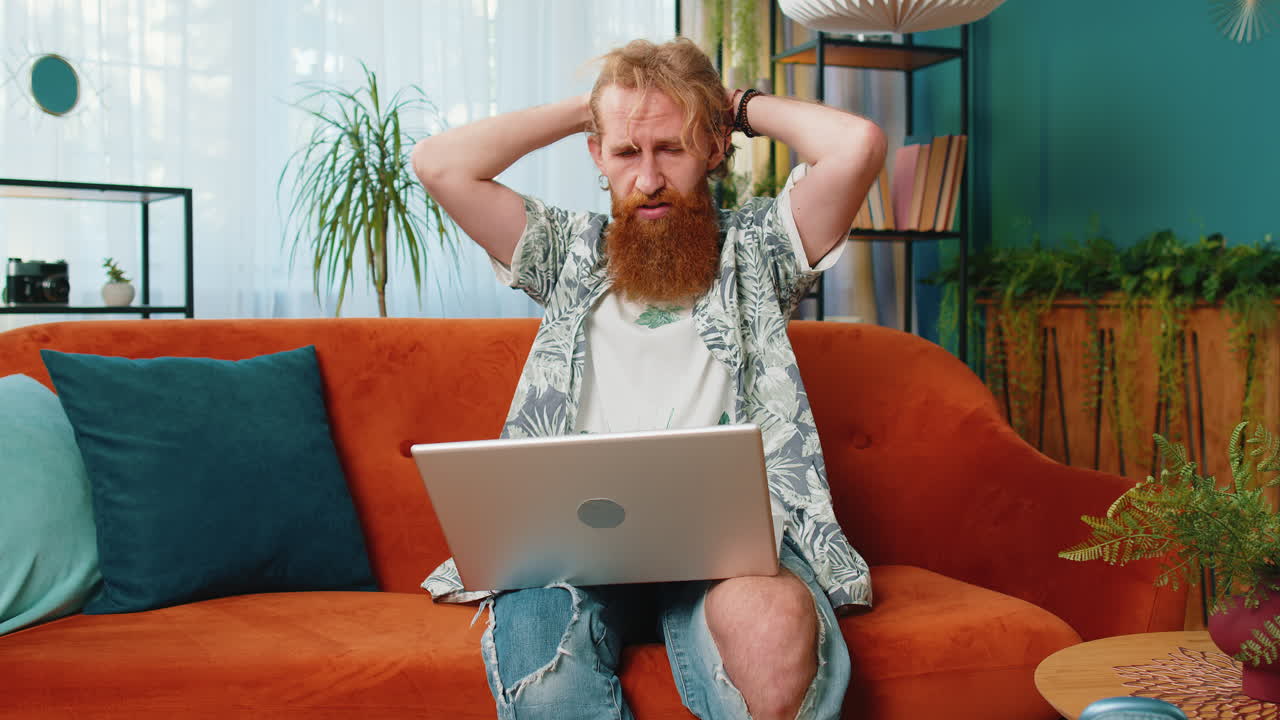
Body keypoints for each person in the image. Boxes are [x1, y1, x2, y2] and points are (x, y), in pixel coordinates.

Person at [412, 36, 885, 720]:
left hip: (733, 555)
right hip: (565, 554)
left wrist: (737, 105)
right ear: (598, 156)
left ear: (714, 150)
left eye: (673, 147)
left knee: (774, 635)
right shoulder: (564, 252)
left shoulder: (762, 249)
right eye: (628, 152)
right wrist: (596, 110)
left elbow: (859, 144)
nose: (650, 178)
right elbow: (439, 163)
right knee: (548, 683)